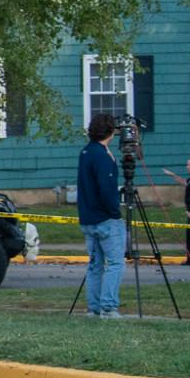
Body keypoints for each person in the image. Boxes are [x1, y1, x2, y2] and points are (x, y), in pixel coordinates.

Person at [76, 113, 125, 319]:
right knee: (115, 263)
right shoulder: (103, 156)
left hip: (88, 217)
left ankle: (94, 307)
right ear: (110, 131)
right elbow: (106, 188)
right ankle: (109, 306)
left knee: (95, 264)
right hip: (105, 218)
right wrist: (115, 212)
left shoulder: (86, 152)